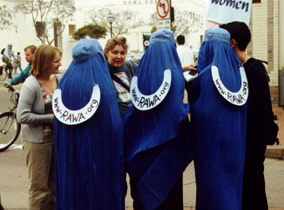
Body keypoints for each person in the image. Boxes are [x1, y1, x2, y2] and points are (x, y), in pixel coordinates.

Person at [124, 29, 192, 210]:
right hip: (168, 154)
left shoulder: (140, 75)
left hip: (141, 151)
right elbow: (176, 112)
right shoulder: (176, 76)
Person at [53, 39, 125, 209]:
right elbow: (113, 126)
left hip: (71, 160)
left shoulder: (64, 83)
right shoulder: (102, 85)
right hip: (100, 163)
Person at [221, 21, 278, 210]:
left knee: (253, 190)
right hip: (241, 143)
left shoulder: (253, 71)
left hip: (252, 144)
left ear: (232, 43)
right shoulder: (237, 69)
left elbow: (263, 111)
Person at [189, 27, 248, 209]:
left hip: (211, 149)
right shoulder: (240, 74)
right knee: (231, 189)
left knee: (213, 193)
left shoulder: (206, 76)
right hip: (235, 146)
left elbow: (199, 110)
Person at [16, 45, 62, 210]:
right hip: (37, 142)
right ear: (46, 62)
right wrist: (51, 119)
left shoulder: (57, 78)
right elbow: (22, 116)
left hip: (56, 139)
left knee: (55, 187)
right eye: (56, 61)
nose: (60, 64)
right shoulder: (31, 84)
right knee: (39, 189)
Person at [104, 36, 137, 116]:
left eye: (122, 53)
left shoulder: (130, 66)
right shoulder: (102, 70)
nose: (119, 56)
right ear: (106, 53)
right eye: (115, 52)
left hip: (134, 115)